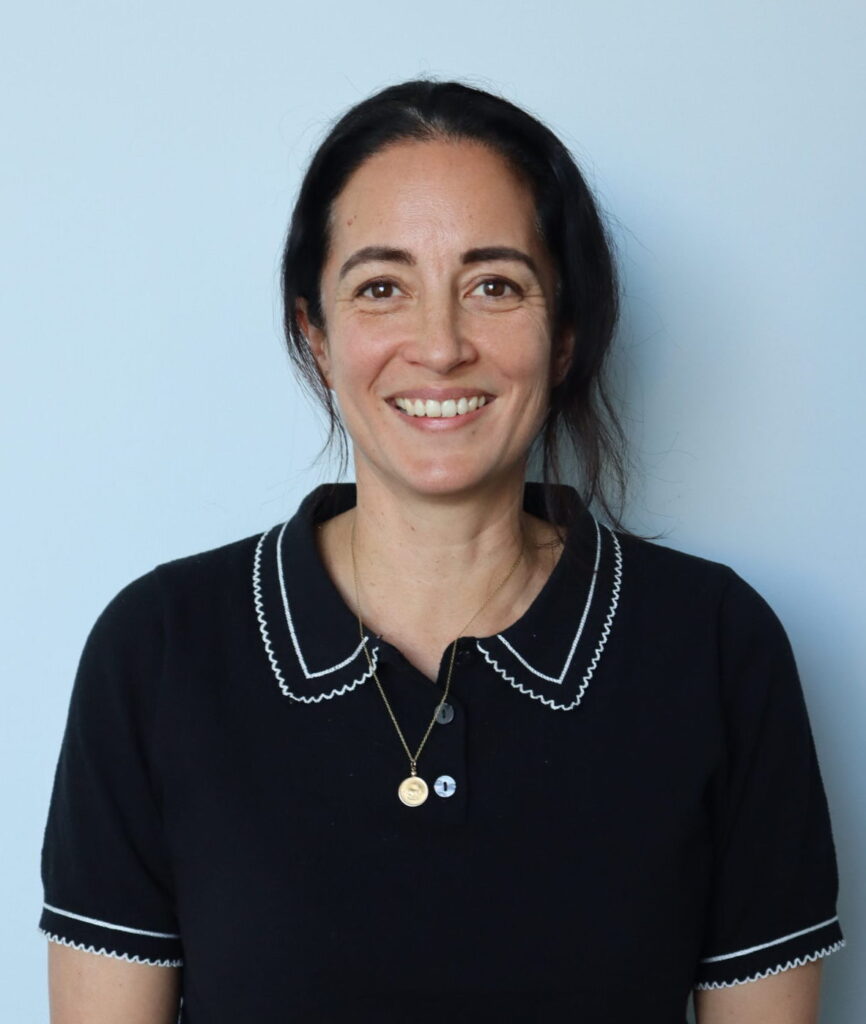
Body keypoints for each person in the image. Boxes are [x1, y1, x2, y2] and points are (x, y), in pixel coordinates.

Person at [39, 79, 845, 1023]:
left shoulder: (714, 643)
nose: (440, 344)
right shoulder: (161, 648)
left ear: (567, 333)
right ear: (316, 334)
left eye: (494, 285)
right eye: (382, 288)